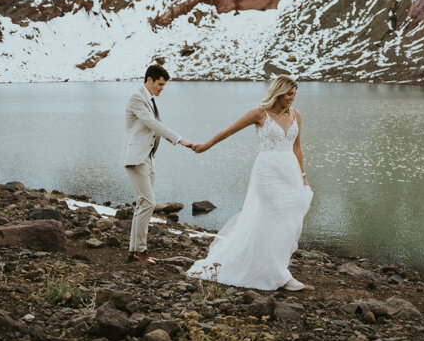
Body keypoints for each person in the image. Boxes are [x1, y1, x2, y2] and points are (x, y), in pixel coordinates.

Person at [187, 75, 313, 291]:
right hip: (267, 173)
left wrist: (302, 176)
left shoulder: (296, 115)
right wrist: (206, 145)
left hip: (290, 172)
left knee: (290, 220)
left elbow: (297, 147)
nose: (291, 98)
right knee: (271, 218)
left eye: (294, 94)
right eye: (288, 94)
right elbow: (229, 130)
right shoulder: (259, 113)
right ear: (278, 92)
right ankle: (278, 274)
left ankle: (278, 267)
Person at [123, 64, 195, 264]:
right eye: (160, 84)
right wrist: (180, 140)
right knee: (148, 203)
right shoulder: (137, 98)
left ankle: (134, 251)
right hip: (136, 158)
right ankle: (140, 251)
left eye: (164, 85)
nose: (162, 88)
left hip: (148, 157)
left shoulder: (150, 99)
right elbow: (152, 124)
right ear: (149, 80)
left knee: (142, 204)